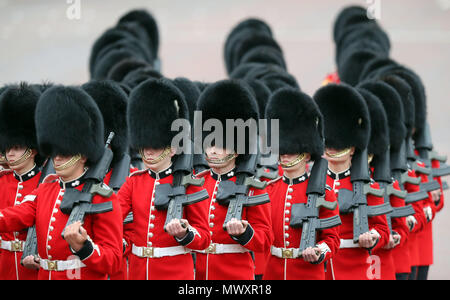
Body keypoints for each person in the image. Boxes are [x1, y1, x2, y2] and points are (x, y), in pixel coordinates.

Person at [0, 86, 123, 280]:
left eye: (63, 153)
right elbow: (17, 214)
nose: (56, 158)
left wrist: (85, 247)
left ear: (82, 155)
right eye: (54, 152)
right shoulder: (47, 188)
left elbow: (114, 261)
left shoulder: (102, 196)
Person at [117, 78, 211, 280]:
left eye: (156, 146)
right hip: (138, 272)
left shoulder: (190, 183)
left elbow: (204, 237)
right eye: (145, 144)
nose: (149, 151)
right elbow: (113, 215)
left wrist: (185, 234)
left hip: (175, 273)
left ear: (173, 148)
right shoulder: (134, 182)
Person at [193, 79, 273, 280]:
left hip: (235, 276)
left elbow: (265, 238)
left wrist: (245, 233)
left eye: (219, 145)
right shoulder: (197, 182)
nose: (211, 150)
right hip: (200, 274)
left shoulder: (253, 187)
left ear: (237, 149)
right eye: (209, 144)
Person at [314, 84, 390, 280]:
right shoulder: (312, 184)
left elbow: (383, 229)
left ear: (353, 149)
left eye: (337, 144)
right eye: (328, 143)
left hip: (356, 266)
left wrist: (373, 236)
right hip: (319, 266)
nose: (331, 148)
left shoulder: (368, 187)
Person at [262, 87, 340, 280]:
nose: (285, 156)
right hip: (274, 272)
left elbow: (332, 239)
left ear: (305, 154)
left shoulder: (324, 193)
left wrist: (318, 251)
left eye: (291, 152)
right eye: (282, 152)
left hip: (307, 273)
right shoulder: (269, 191)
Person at [0, 83, 42, 280]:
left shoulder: (45, 182)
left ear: (32, 149)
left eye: (16, 147)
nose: (10, 153)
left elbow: (24, 215)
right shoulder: (3, 181)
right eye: (7, 148)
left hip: (32, 268)